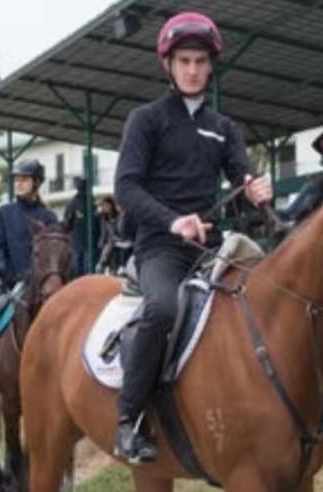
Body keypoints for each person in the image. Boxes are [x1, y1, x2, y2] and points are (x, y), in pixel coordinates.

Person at [112, 12, 273, 463]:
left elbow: (243, 179)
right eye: (184, 60)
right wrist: (173, 221)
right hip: (161, 246)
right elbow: (126, 187)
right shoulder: (145, 120)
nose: (193, 69)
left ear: (210, 65)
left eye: (201, 60)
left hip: (211, 248)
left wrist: (257, 190)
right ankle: (128, 419)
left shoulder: (224, 128)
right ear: (168, 63)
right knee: (162, 307)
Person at [0, 159, 59, 391]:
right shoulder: (4, 213)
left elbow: (54, 252)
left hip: (41, 285)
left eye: (24, 179)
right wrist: (7, 273)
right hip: (11, 282)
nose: (18, 184)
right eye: (17, 180)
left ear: (37, 182)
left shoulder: (48, 217)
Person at [61, 176, 96, 277]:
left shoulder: (74, 203)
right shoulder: (89, 201)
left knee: (79, 267)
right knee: (85, 267)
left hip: (79, 241)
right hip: (84, 241)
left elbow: (67, 224)